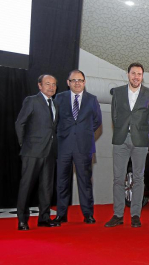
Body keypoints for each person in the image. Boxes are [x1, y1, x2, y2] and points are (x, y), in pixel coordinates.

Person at [105, 62, 149, 228]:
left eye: (139, 74)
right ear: (128, 75)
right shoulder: (118, 92)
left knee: (138, 178)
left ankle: (135, 214)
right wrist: (122, 130)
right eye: (133, 73)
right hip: (120, 139)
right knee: (118, 179)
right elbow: (114, 115)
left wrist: (144, 134)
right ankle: (118, 214)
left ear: (142, 76)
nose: (136, 77)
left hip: (140, 141)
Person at [53, 70, 102, 224]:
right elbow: (54, 120)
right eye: (73, 80)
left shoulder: (92, 99)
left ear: (84, 82)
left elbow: (97, 121)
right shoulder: (59, 98)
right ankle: (61, 214)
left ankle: (88, 214)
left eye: (80, 80)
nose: (77, 83)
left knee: (85, 182)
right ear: (68, 82)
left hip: (84, 147)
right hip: (64, 146)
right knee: (62, 182)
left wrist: (83, 133)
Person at [15, 74, 60, 230]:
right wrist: (24, 144)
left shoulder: (55, 104)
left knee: (47, 187)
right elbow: (20, 123)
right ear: (40, 86)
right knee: (26, 186)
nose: (51, 87)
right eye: (47, 84)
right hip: (32, 151)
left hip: (50, 151)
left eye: (54, 84)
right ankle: (22, 220)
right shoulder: (32, 101)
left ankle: (44, 218)